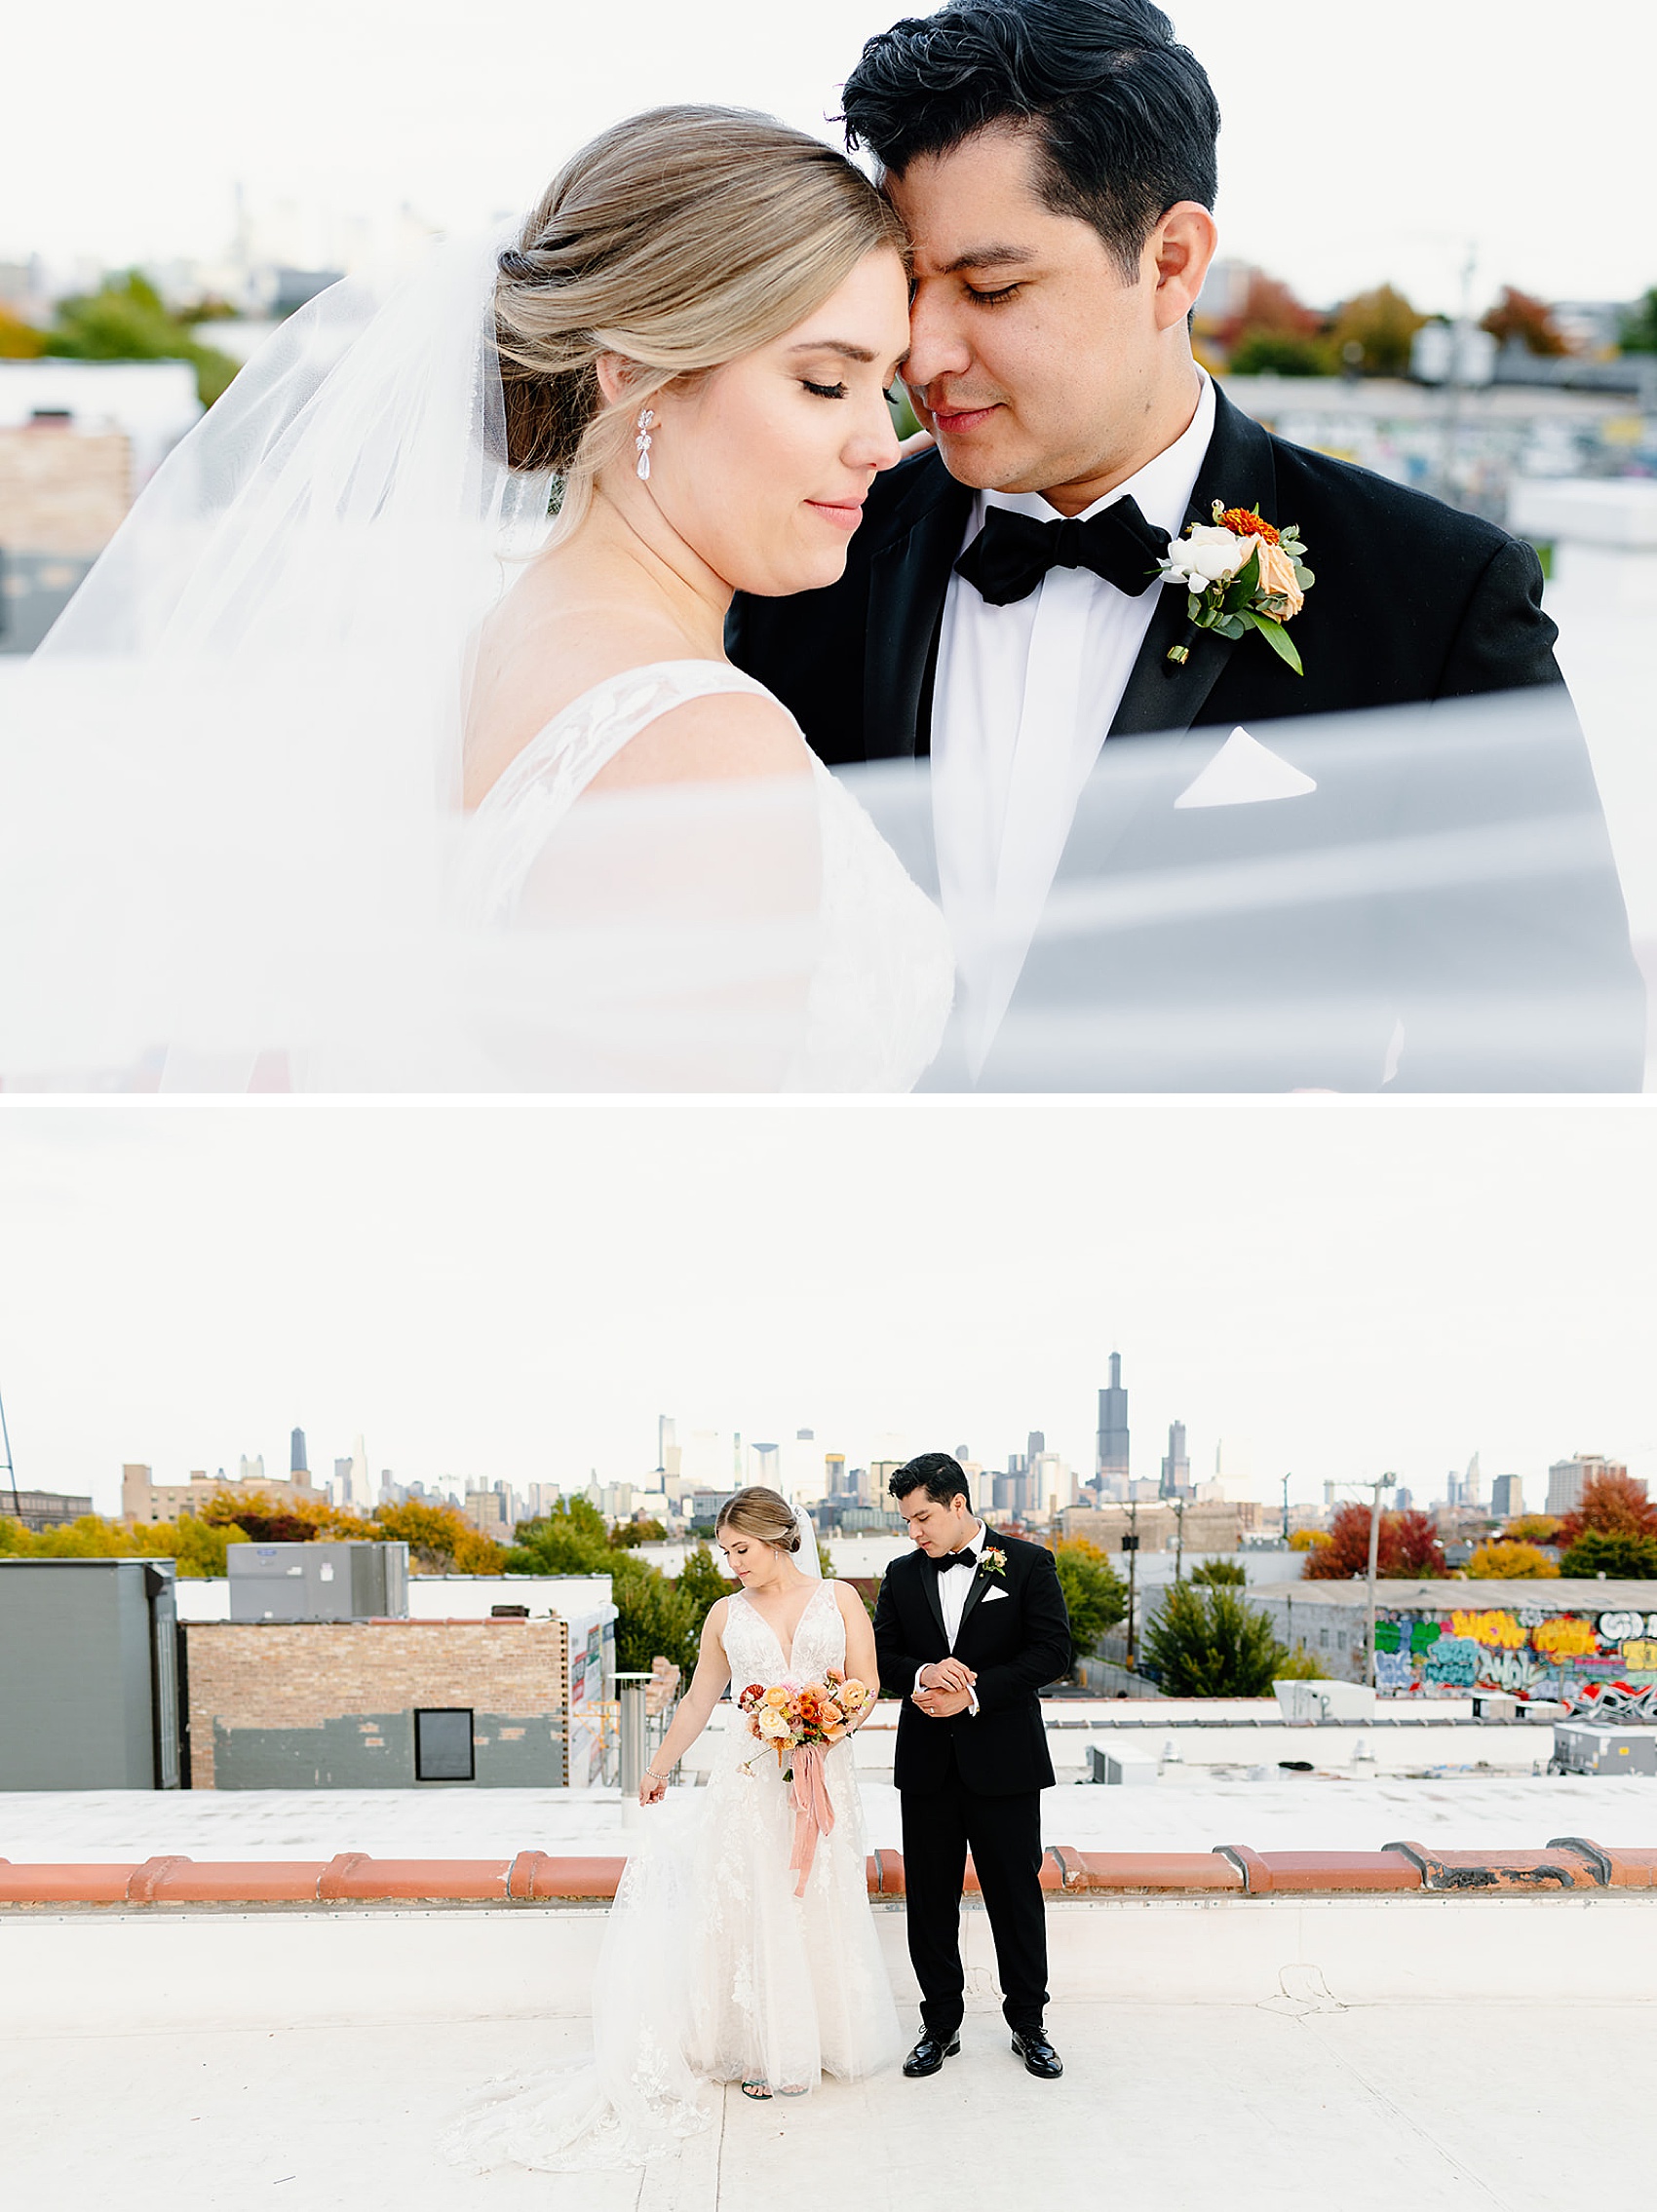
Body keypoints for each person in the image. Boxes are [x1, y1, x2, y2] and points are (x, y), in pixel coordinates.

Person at [728, 0, 1644, 1090]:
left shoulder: (1433, 596)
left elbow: (1546, 1055)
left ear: (1170, 262)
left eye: (989, 286)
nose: (918, 349)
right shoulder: (806, 551)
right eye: (908, 285)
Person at [1, 108, 952, 1094]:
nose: (879, 442)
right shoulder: (702, 747)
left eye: (883, 383)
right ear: (634, 378)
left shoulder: (493, 639)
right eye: (823, 382)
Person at [443, 1488, 901, 2172]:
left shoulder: (840, 1599)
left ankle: (822, 2037)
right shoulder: (726, 1614)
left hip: (821, 1774)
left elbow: (866, 1683)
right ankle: (759, 2045)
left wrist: (826, 1727)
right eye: (725, 1553)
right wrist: (658, 1764)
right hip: (747, 1779)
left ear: (777, 1538)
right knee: (751, 1902)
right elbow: (698, 1697)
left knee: (816, 1895)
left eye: (740, 1550)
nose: (732, 1564)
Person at [871, 1453, 1073, 2079]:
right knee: (929, 1899)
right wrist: (925, 1675)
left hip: (1006, 1764)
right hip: (927, 1765)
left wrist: (975, 1690)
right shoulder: (901, 1575)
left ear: (959, 1504)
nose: (915, 1533)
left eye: (923, 1518)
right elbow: (881, 1656)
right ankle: (939, 2026)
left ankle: (1029, 2026)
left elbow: (1053, 1652)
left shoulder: (1030, 1563)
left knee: (1015, 1896)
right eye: (907, 1522)